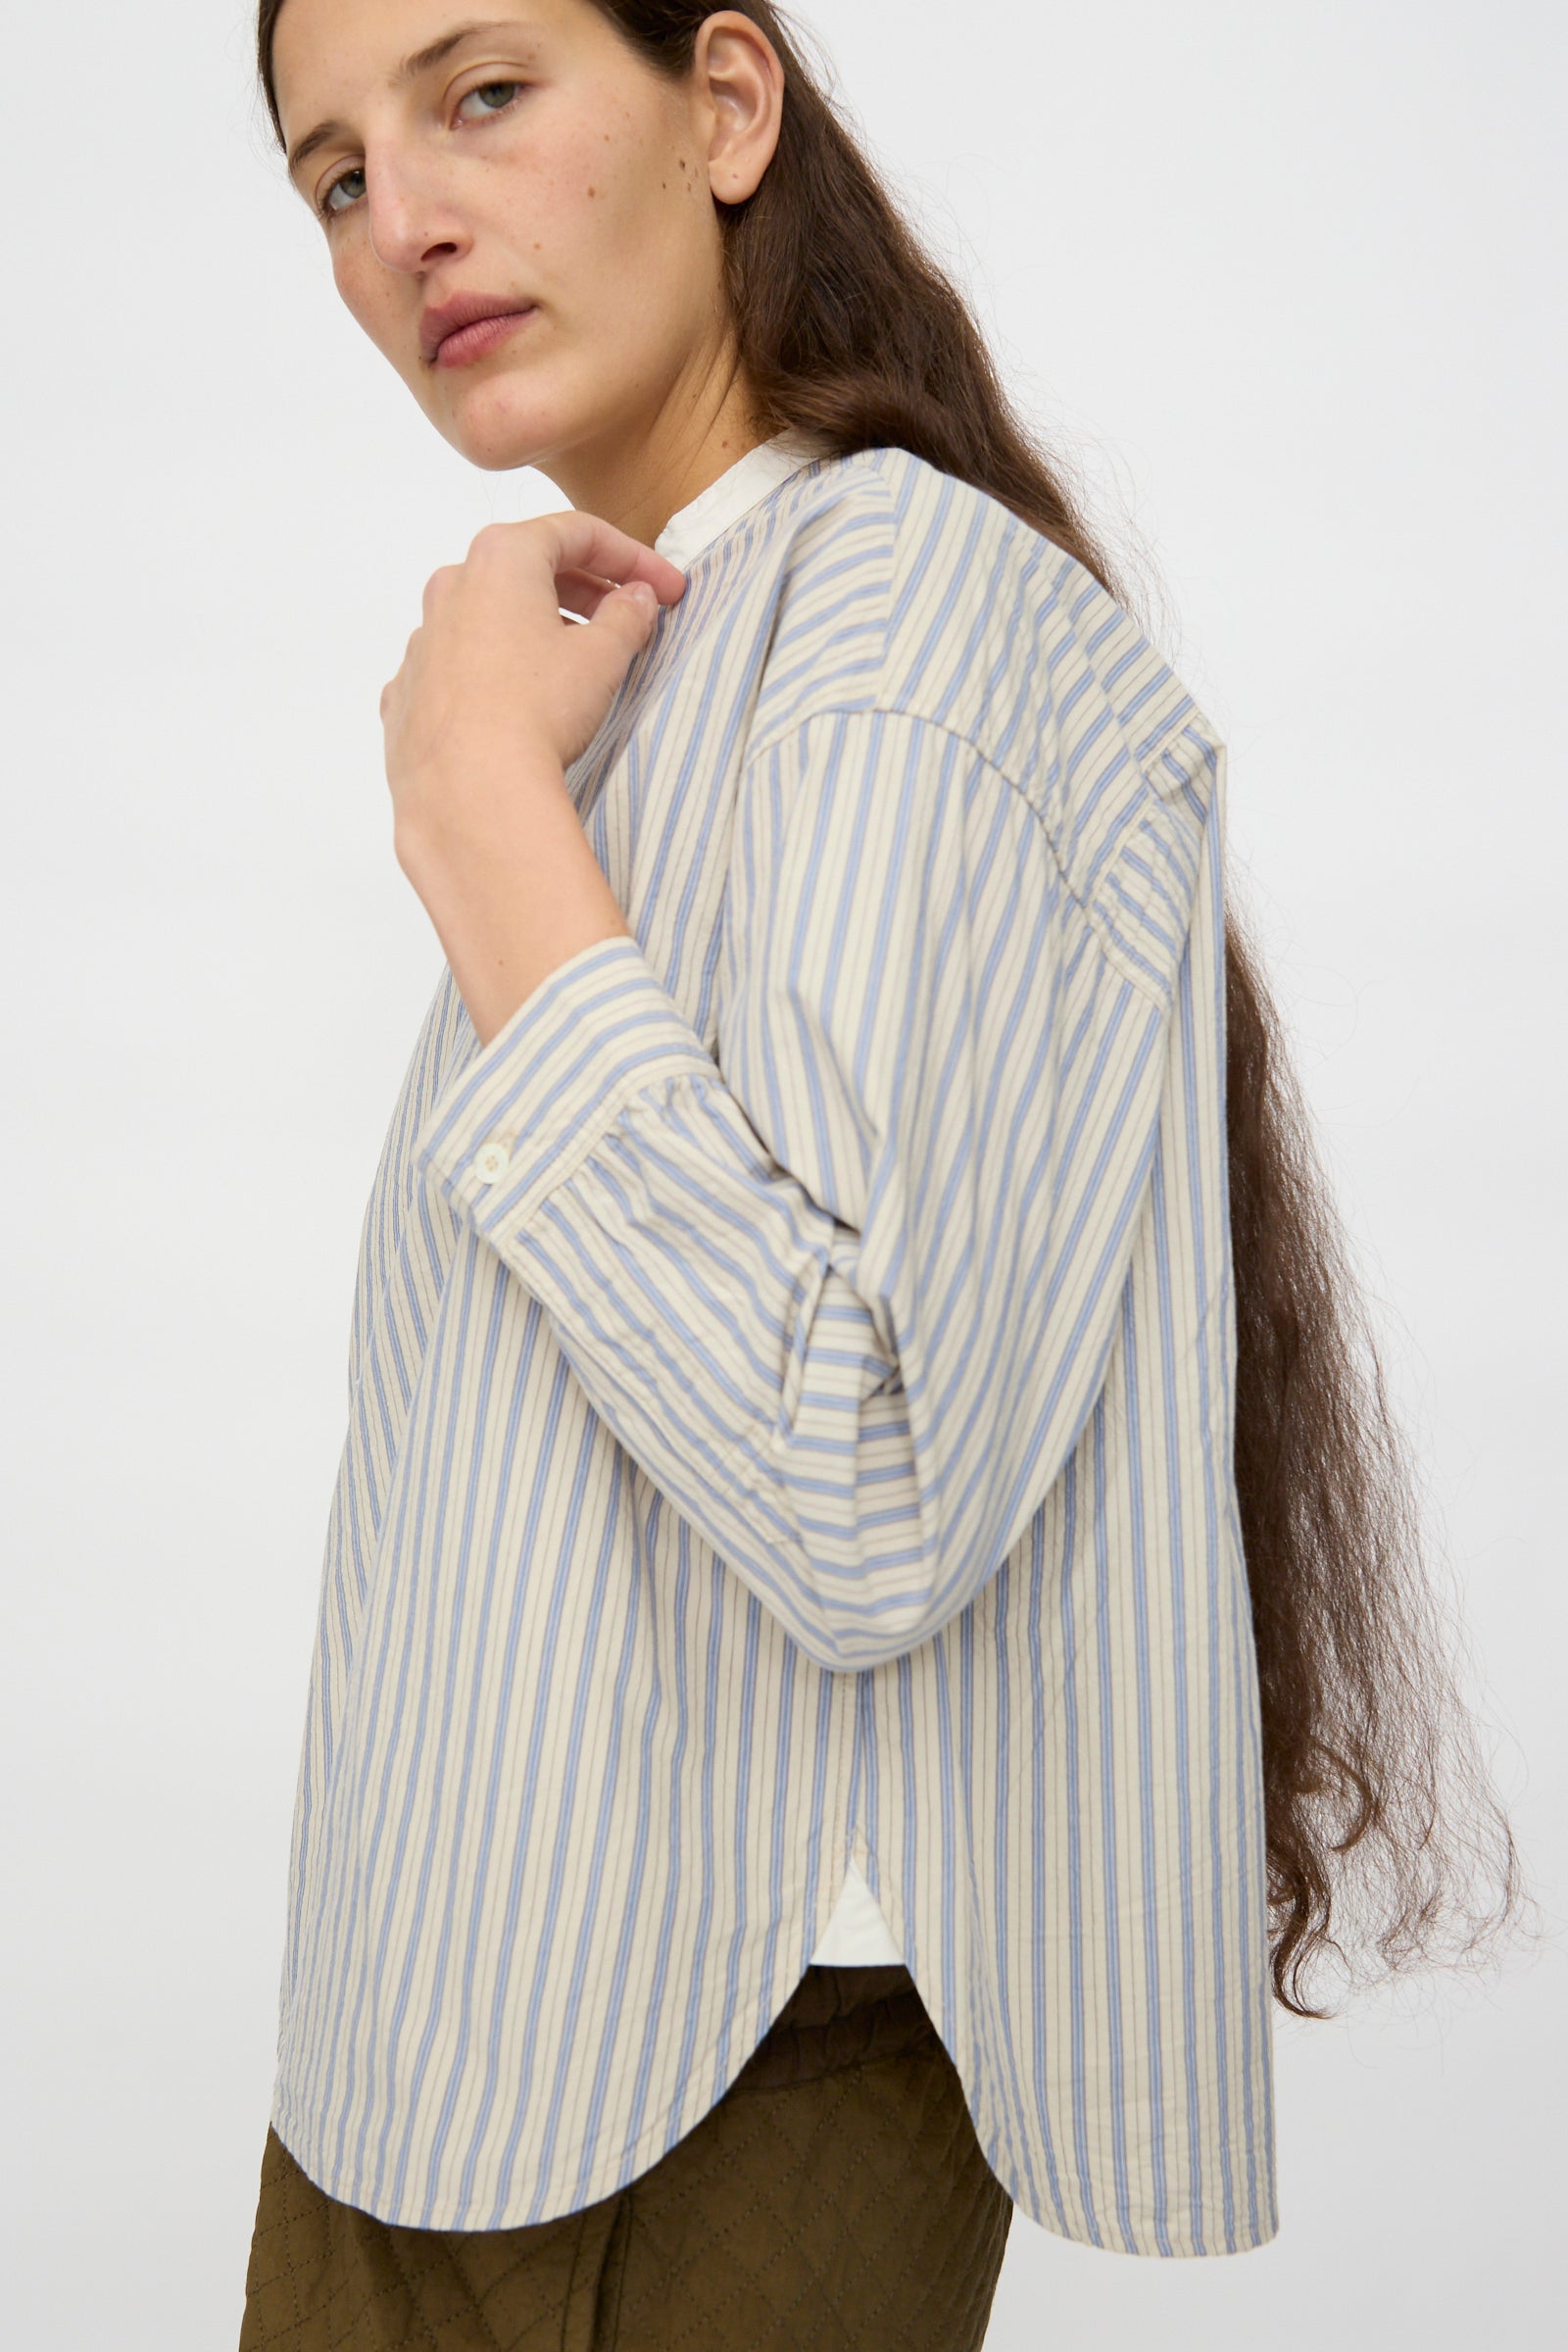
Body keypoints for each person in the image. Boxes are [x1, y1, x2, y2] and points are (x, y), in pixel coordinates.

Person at [237, 4, 1533, 2345]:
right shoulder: (666, 655)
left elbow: (864, 1475)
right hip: (478, 2025)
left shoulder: (895, 624)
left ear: (726, 106)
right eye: (331, 174)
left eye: (482, 92)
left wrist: (485, 834)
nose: (402, 216)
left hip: (703, 2055)